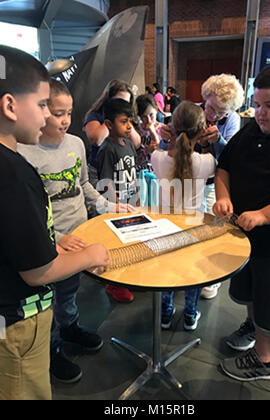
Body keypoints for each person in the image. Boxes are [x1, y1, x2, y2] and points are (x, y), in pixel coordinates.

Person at [0, 45, 109, 400]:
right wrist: (92, 254)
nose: (51, 117)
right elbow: (37, 272)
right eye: (44, 105)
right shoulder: (16, 170)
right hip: (18, 318)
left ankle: (69, 331)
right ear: (11, 106)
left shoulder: (69, 147)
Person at [18, 79, 133, 384]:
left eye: (69, 112)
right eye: (57, 113)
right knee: (49, 300)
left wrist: (108, 206)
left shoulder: (76, 144)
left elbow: (83, 186)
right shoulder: (25, 154)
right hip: (48, 243)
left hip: (80, 234)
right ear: (42, 111)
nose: (65, 120)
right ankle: (51, 348)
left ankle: (70, 328)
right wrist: (54, 239)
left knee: (69, 293)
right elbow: (26, 213)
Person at [213, 63, 270, 381]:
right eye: (257, 105)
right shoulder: (251, 128)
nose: (261, 113)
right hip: (243, 231)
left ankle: (265, 360)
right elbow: (225, 168)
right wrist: (222, 196)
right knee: (249, 289)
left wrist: (264, 215)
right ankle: (253, 328)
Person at [160, 74, 244, 299]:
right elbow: (167, 146)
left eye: (221, 113)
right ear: (205, 98)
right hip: (182, 180)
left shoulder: (233, 120)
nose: (213, 115)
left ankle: (204, 275)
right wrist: (163, 134)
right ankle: (181, 275)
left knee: (207, 230)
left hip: (209, 183)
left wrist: (219, 142)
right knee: (178, 228)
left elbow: (230, 159)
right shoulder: (189, 111)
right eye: (211, 107)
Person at [151, 101, 216, 330]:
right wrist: (208, 144)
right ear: (201, 132)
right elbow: (213, 162)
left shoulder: (157, 159)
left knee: (167, 270)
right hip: (194, 228)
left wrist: (164, 140)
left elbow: (162, 151)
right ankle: (190, 315)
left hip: (164, 228)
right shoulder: (206, 162)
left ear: (172, 128)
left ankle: (166, 314)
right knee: (192, 272)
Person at [96, 98, 139, 303]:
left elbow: (133, 174)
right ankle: (114, 285)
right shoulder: (107, 149)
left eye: (130, 120)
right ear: (109, 124)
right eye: (123, 121)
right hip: (116, 209)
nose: (129, 125)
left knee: (131, 244)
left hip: (130, 204)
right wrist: (114, 208)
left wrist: (137, 200)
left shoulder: (128, 144)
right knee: (117, 247)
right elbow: (105, 183)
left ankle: (129, 278)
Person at [84, 79, 141, 188]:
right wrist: (113, 115)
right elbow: (96, 139)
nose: (121, 106)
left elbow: (136, 143)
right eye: (119, 101)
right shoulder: (96, 115)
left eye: (125, 103)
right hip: (100, 171)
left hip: (123, 171)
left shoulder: (128, 119)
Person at [135, 94, 161, 206]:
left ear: (156, 111)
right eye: (144, 117)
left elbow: (160, 148)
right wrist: (145, 151)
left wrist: (153, 132)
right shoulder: (135, 130)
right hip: (140, 176)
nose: (149, 120)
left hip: (157, 177)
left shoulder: (163, 129)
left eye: (151, 115)